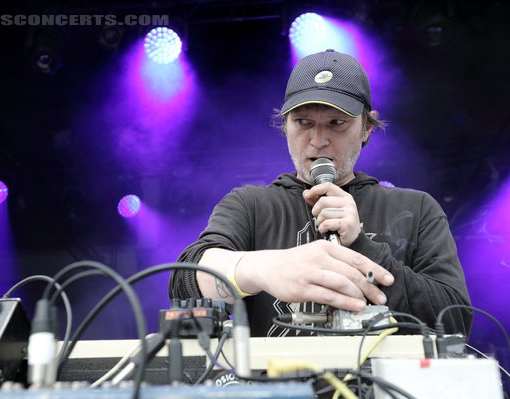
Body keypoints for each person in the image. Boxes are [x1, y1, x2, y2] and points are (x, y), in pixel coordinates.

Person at [168, 49, 472, 337]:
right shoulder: (251, 205)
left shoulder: (416, 208)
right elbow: (184, 284)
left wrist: (363, 246)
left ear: (366, 127)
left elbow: (455, 321)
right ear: (285, 126)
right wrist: (264, 268)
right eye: (303, 122)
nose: (318, 140)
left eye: (336, 123)